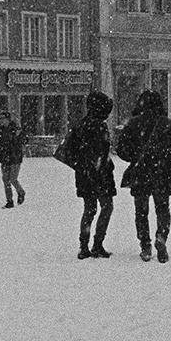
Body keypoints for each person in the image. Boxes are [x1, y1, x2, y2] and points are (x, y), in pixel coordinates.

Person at [115, 90, 171, 262]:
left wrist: (135, 158)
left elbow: (121, 150)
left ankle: (145, 244)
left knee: (141, 211)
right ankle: (161, 236)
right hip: (162, 172)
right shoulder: (168, 125)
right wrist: (166, 156)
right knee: (162, 209)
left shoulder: (132, 125)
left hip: (140, 173)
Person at [59, 91, 116, 259]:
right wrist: (101, 167)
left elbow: (73, 151)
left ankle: (84, 245)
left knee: (89, 209)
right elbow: (102, 152)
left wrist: (83, 167)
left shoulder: (80, 125)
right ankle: (97, 243)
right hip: (100, 174)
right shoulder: (99, 126)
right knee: (106, 207)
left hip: (84, 174)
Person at [0, 111, 27, 208]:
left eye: (3, 118)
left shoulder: (15, 129)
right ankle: (9, 200)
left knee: (13, 179)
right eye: (0, 119)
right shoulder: (0, 131)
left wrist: (17, 136)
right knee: (5, 180)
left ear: (8, 119)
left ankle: (21, 192)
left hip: (15, 157)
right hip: (5, 157)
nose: (1, 121)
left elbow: (23, 140)